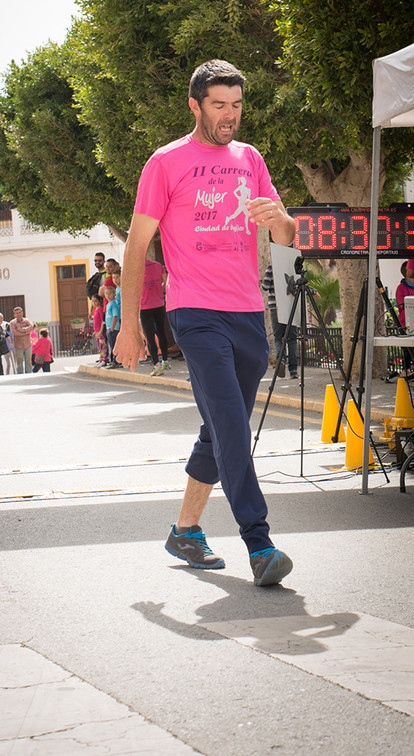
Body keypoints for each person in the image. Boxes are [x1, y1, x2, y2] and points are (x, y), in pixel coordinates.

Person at [114, 59, 296, 587]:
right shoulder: (166, 162)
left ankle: (185, 530)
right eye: (219, 105)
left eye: (237, 105)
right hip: (193, 312)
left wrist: (278, 220)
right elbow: (136, 245)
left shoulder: (251, 158)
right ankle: (259, 544)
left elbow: (285, 235)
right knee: (233, 428)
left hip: (246, 313)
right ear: (195, 106)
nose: (230, 116)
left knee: (220, 429)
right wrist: (130, 324)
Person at [261, 264, 298, 379]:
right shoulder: (294, 265)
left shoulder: (271, 267)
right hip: (291, 306)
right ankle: (293, 370)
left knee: (279, 338)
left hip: (275, 307)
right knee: (292, 338)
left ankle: (281, 360)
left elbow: (265, 286)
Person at [139, 257, 171, 377]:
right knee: (161, 333)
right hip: (159, 304)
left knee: (150, 337)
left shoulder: (137, 269)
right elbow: (166, 283)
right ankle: (165, 361)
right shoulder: (158, 265)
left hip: (145, 307)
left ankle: (156, 366)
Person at [9, 306, 35, 373]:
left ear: (22, 312)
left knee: (28, 361)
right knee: (19, 361)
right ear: (14, 314)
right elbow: (15, 333)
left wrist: (21, 329)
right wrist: (26, 332)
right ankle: (20, 375)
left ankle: (29, 375)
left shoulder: (27, 320)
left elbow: (31, 327)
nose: (18, 314)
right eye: (16, 313)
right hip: (18, 345)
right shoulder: (12, 323)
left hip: (28, 344)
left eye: (20, 312)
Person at [103, 285, 121, 368]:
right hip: (108, 328)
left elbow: (115, 316)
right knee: (111, 345)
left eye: (110, 293)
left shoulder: (114, 304)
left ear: (114, 294)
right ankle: (112, 360)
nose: (108, 295)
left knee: (114, 345)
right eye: (106, 293)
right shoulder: (108, 304)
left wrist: (112, 327)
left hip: (113, 328)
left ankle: (116, 361)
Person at [91, 294, 108, 365]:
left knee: (103, 345)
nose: (94, 303)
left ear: (99, 301)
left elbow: (102, 321)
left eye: (95, 301)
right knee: (99, 346)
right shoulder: (95, 310)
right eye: (92, 301)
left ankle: (105, 358)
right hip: (97, 331)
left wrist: (101, 330)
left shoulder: (100, 309)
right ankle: (101, 358)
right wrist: (95, 331)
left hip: (100, 331)